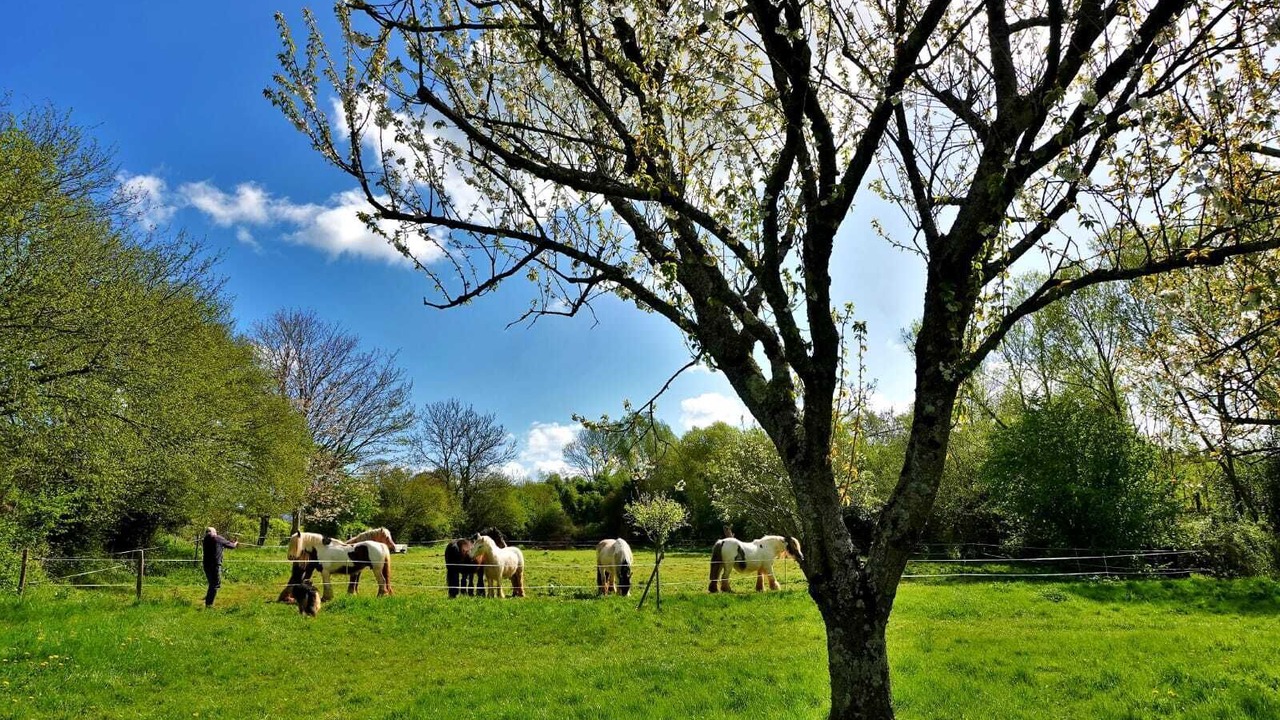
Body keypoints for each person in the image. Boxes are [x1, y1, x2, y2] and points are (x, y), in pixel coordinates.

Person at [201, 527, 238, 608]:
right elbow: (232, 546)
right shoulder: (217, 538)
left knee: (212, 583)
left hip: (206, 564)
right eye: (215, 532)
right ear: (213, 532)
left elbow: (220, 544)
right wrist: (235, 543)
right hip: (215, 565)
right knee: (215, 584)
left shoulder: (205, 539)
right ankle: (209, 604)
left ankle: (208, 596)